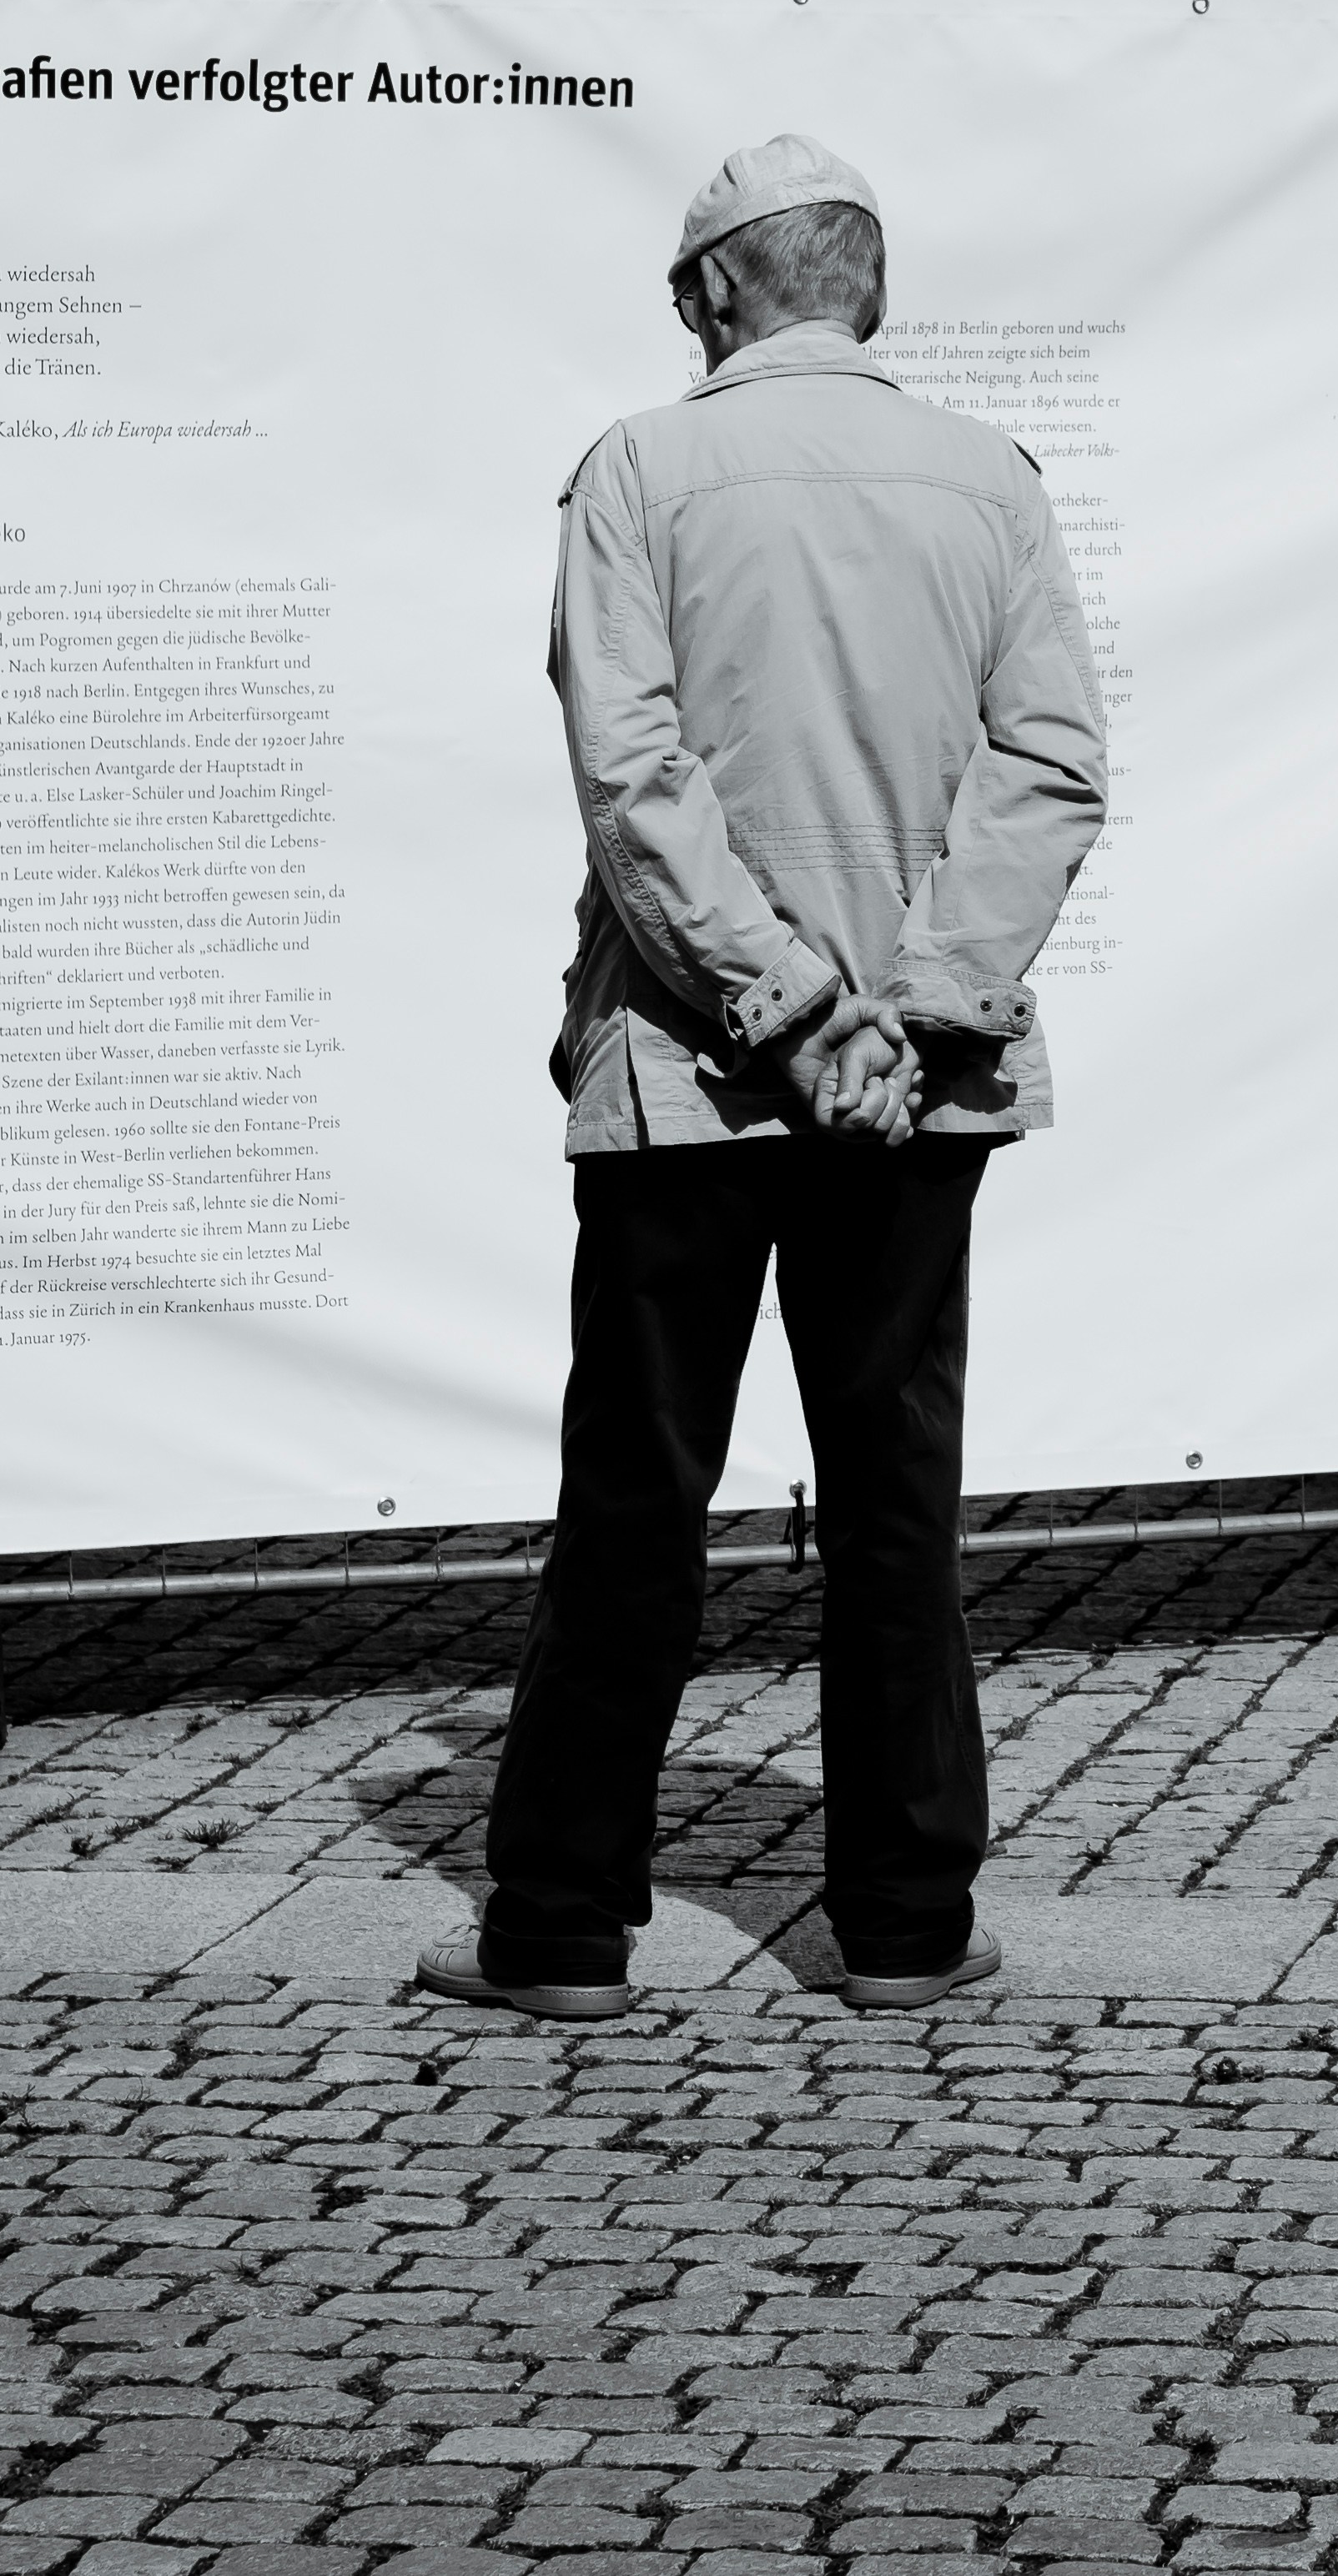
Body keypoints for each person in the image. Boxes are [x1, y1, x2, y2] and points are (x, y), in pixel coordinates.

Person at [425, 135, 1109, 2028]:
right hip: (921, 1089)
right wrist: (907, 1003)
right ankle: (899, 1919)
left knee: (633, 1495)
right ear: (860, 291)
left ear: (714, 293)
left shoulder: (635, 472)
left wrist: (789, 1008)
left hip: (684, 1076)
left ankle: (561, 1923)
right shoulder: (991, 479)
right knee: (897, 1498)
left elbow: (630, 781)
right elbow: (1047, 766)